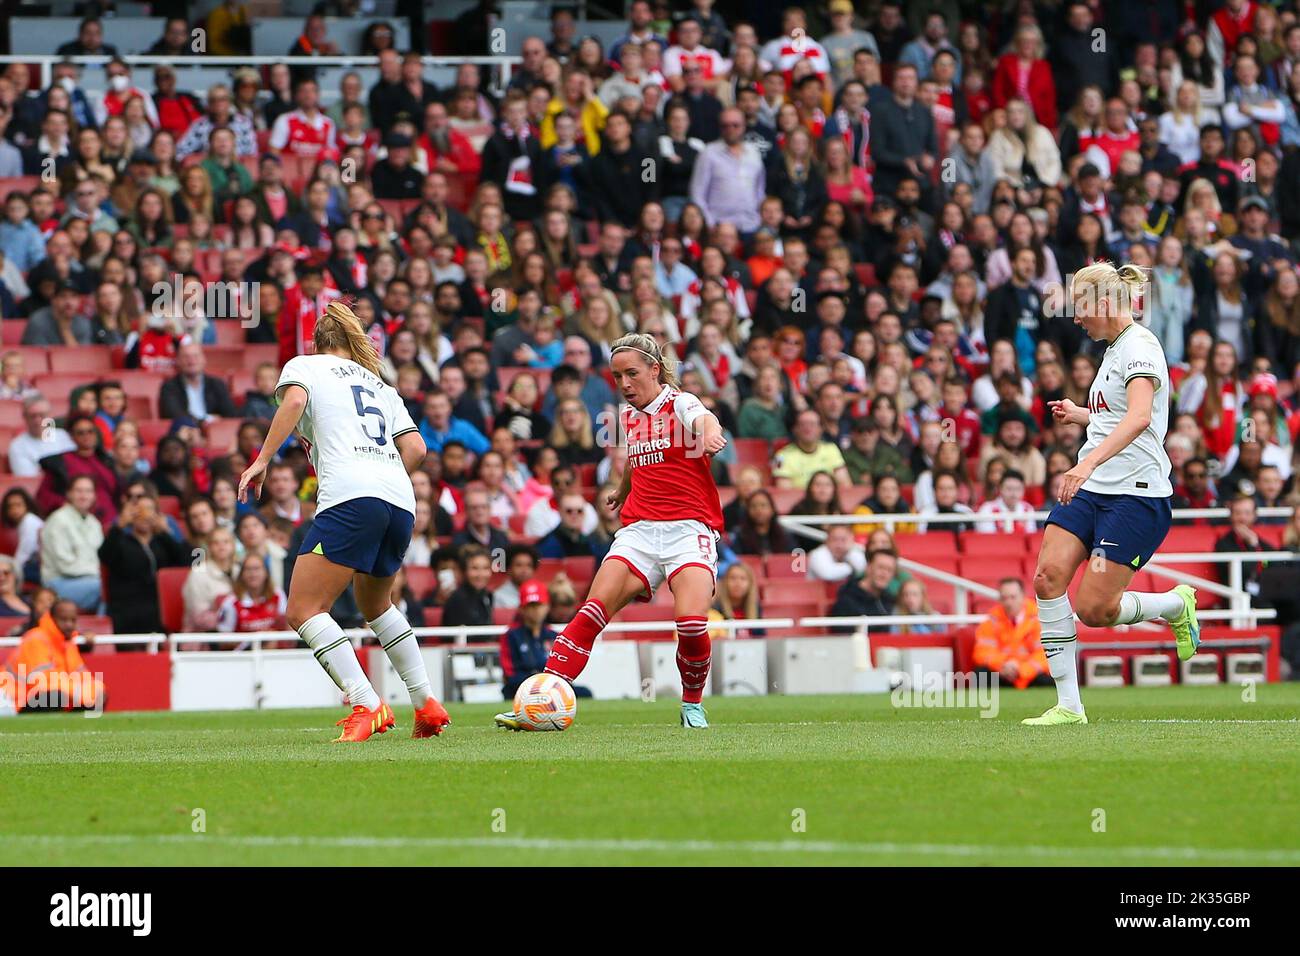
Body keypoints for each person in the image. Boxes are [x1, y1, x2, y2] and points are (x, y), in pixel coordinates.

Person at [237, 300, 450, 742]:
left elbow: (294, 399)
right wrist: (382, 475)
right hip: (399, 501)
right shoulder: (380, 385)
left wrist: (262, 460)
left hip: (351, 497)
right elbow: (417, 450)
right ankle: (427, 703)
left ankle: (366, 702)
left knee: (302, 609)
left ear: (316, 343)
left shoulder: (306, 366)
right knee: (377, 606)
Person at [495, 332, 727, 730]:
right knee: (591, 611)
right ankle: (538, 701)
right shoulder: (628, 416)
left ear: (655, 370)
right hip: (639, 529)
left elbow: (704, 418)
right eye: (617, 376)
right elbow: (636, 458)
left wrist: (707, 434)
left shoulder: (681, 403)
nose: (624, 384)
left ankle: (692, 705)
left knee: (690, 622)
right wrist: (622, 490)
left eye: (632, 374)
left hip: (688, 528)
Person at [1027, 263, 1199, 727]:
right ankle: (1069, 706)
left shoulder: (1141, 346)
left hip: (1135, 496)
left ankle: (1174, 605)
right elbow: (1117, 416)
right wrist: (1081, 414)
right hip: (1093, 491)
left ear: (1105, 304)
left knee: (1094, 609)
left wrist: (1085, 462)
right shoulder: (1114, 348)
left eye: (1081, 310)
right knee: (1047, 577)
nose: (1077, 320)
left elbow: (1141, 417)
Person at [0, 600, 103, 713]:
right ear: (52, 618)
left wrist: (96, 691)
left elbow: (83, 676)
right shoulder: (36, 639)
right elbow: (43, 683)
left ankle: (81, 730)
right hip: (14, 702)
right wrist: (80, 693)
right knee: (56, 697)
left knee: (98, 694)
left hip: (42, 697)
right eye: (63, 619)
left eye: (73, 620)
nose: (69, 624)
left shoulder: (67, 642)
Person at [972, 579, 1051, 689]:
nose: (1009, 603)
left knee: (1049, 679)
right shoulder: (991, 621)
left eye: (1013, 597)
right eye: (1004, 598)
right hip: (1002, 672)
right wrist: (1003, 665)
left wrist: (1021, 669)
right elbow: (982, 653)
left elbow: (1045, 655)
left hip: (1030, 674)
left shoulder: (1039, 620)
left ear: (1023, 596)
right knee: (980, 674)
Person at [499, 579, 558, 699]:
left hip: (550, 689)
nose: (535, 610)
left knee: (584, 692)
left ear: (547, 607)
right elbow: (510, 674)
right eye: (530, 606)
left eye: (539, 605)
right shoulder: (511, 636)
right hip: (520, 690)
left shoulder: (554, 636)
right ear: (522, 608)